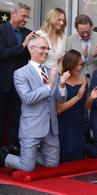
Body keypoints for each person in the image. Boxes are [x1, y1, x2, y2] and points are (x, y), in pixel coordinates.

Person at [0, 36, 70, 171]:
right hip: (32, 126)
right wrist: (49, 86)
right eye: (42, 48)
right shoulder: (20, 73)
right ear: (31, 49)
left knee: (52, 164)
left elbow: (60, 100)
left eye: (47, 48)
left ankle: (28, 156)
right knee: (27, 167)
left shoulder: (52, 72)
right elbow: (27, 98)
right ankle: (6, 156)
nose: (46, 51)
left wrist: (61, 85)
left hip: (51, 127)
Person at [56, 49, 97, 163]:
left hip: (78, 123)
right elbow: (58, 109)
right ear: (70, 64)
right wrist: (77, 97)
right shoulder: (60, 80)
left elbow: (84, 108)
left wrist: (91, 98)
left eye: (82, 64)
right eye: (77, 65)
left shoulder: (83, 80)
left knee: (76, 155)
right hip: (63, 123)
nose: (80, 67)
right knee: (64, 154)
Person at [0, 2, 37, 149]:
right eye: (23, 16)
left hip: (21, 85)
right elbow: (2, 54)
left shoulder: (28, 33)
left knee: (17, 119)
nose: (26, 19)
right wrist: (22, 45)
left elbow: (32, 56)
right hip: (2, 83)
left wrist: (35, 44)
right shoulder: (1, 30)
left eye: (27, 17)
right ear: (13, 14)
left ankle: (13, 148)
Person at [66, 14, 97, 80]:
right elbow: (67, 65)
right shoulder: (70, 40)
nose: (85, 35)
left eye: (87, 32)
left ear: (91, 27)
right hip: (77, 80)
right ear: (77, 29)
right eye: (82, 32)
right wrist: (82, 58)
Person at [36, 8, 67, 72]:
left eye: (63, 20)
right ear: (51, 19)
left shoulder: (62, 37)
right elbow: (35, 59)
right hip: (39, 73)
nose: (62, 23)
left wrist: (58, 75)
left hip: (56, 75)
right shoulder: (39, 35)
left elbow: (60, 60)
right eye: (59, 20)